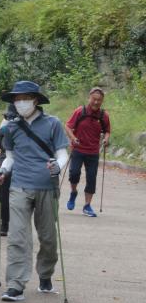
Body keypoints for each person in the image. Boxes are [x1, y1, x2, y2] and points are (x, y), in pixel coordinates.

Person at [0, 81, 69, 302]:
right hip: (19, 186)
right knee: (17, 236)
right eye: (17, 99)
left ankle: (45, 274)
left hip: (47, 186)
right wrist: (2, 170)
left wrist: (58, 165)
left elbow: (62, 153)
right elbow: (11, 157)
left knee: (48, 238)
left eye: (25, 98)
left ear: (35, 100)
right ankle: (15, 284)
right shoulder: (10, 127)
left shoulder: (53, 123)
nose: (20, 102)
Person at [64, 87, 111, 217]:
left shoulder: (103, 115)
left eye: (99, 100)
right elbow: (68, 126)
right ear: (89, 98)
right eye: (94, 99)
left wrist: (106, 139)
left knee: (91, 178)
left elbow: (107, 130)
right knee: (74, 174)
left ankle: (87, 205)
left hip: (93, 152)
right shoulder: (80, 111)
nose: (96, 102)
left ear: (102, 101)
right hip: (78, 149)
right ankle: (73, 192)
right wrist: (73, 138)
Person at [0, 104, 17, 237]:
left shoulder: (27, 130)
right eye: (9, 117)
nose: (11, 120)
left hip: (21, 165)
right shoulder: (3, 130)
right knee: (4, 196)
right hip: (4, 165)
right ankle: (4, 223)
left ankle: (17, 223)